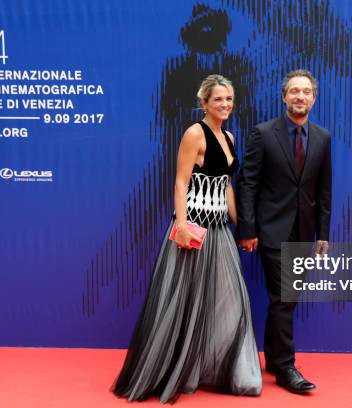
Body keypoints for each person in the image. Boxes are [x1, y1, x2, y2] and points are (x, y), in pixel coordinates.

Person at [112, 74, 262, 403]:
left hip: (221, 229)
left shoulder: (230, 138)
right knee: (184, 302)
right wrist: (180, 224)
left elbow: (226, 186)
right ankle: (175, 370)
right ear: (204, 102)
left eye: (229, 99)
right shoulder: (195, 133)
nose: (225, 104)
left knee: (227, 301)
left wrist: (244, 227)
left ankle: (214, 368)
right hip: (193, 229)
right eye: (218, 99)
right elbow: (181, 182)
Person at [237, 69, 332, 394]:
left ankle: (277, 361)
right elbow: (247, 184)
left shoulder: (322, 137)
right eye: (294, 91)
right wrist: (247, 229)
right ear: (284, 97)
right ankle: (285, 367)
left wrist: (323, 233)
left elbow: (324, 189)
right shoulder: (263, 134)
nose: (300, 96)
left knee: (285, 300)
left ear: (314, 98)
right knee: (284, 296)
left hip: (304, 232)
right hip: (271, 230)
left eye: (306, 91)